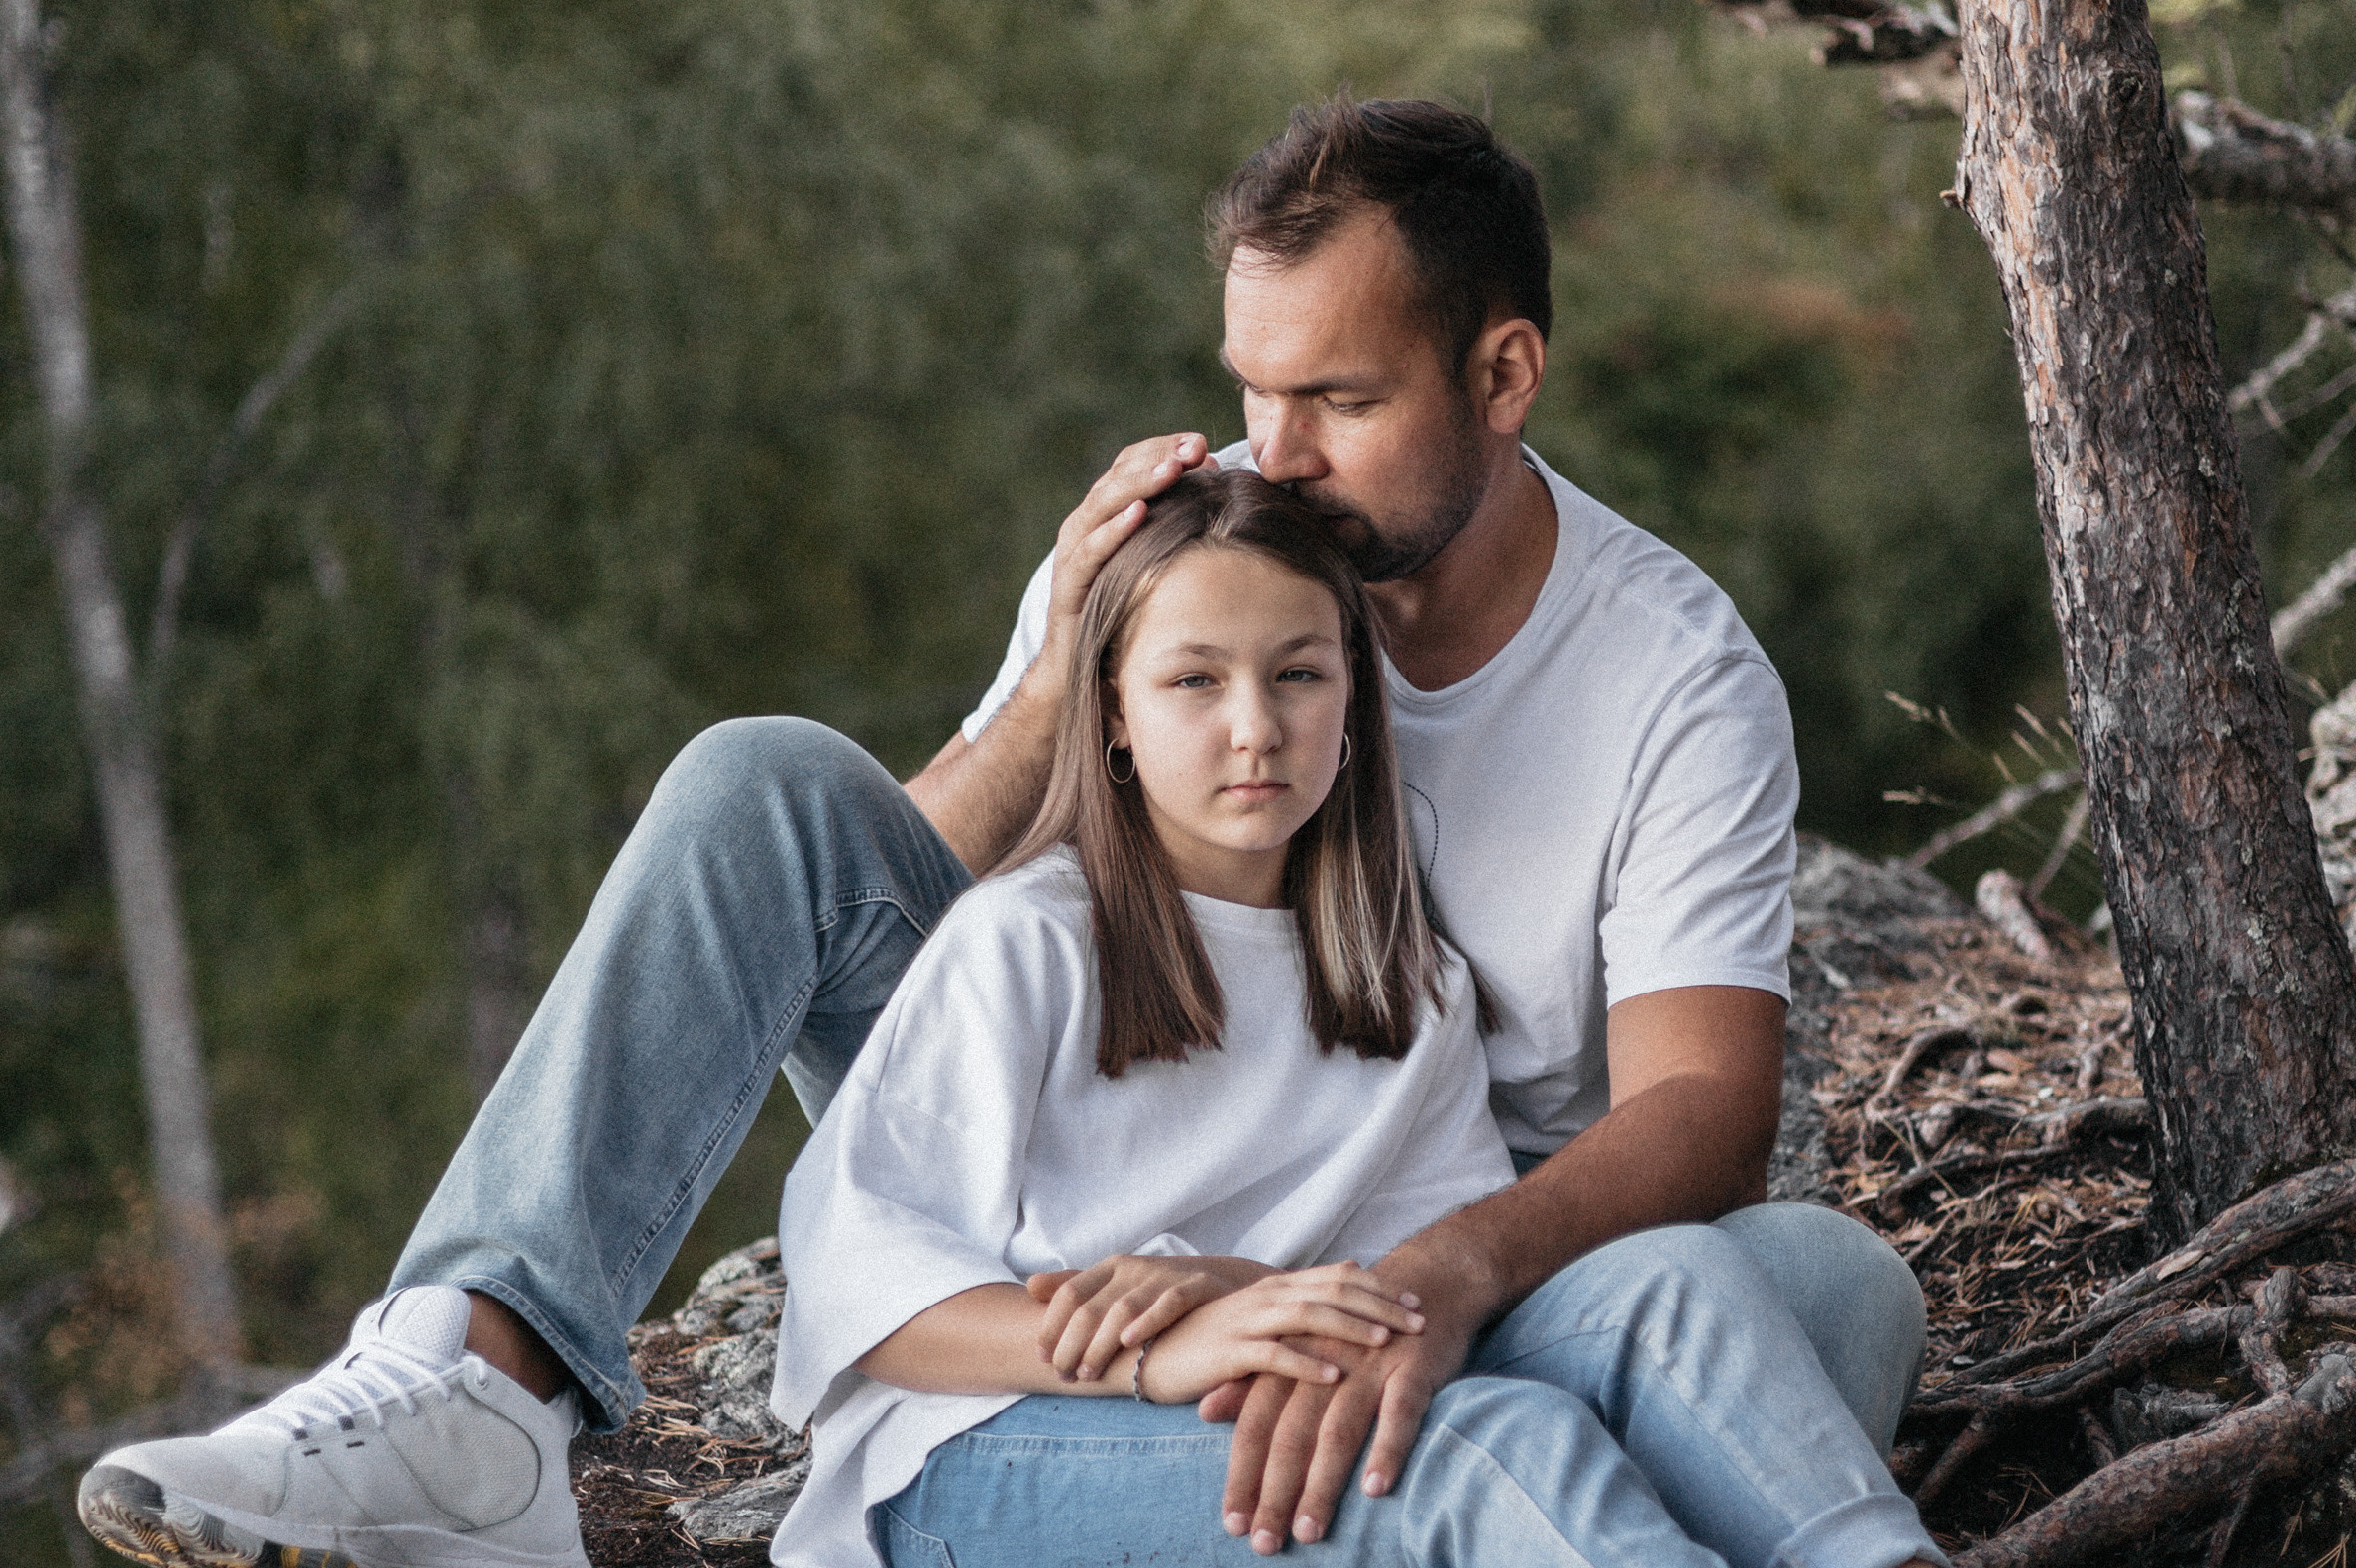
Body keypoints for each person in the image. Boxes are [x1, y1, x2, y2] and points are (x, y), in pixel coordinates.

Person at [76, 96, 1927, 1568]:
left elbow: (1699, 1108)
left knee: (1819, 1295)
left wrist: (1407, 1289)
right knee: (761, 787)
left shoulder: (1668, 671)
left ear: (1504, 379)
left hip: (1427, 1223)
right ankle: (473, 1386)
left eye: (1339, 402)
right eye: (1251, 386)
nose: (1267, 454)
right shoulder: (1219, 551)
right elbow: (935, 905)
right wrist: (1065, 677)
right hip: (1083, 1126)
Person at [770, 467, 1940, 1568]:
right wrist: (1160, 1353)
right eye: (1193, 680)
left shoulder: (1407, 983)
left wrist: (1235, 1290)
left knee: (1678, 1282)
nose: (1255, 727)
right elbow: (857, 1285)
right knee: (1489, 1452)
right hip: (980, 1452)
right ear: (1114, 710)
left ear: (1355, 693)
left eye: (1298, 674)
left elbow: (1407, 1301)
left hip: (1251, 1384)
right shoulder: (1028, 941)